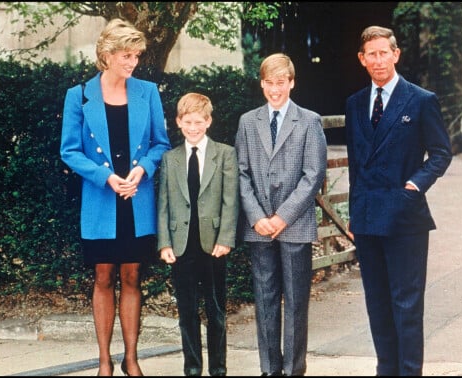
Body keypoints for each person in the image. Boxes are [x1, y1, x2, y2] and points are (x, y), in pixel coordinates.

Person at [60, 18, 171, 376]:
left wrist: (143, 170)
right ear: (106, 55)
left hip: (137, 199)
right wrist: (106, 176)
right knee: (104, 276)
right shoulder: (78, 96)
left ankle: (132, 359)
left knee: (133, 275)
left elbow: (160, 144)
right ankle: (105, 361)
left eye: (136, 55)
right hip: (102, 201)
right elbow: (70, 151)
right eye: (127, 55)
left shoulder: (148, 91)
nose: (133, 62)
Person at [345, 25, 452, 376]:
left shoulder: (420, 100)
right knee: (377, 304)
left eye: (383, 53)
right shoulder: (355, 104)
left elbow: (440, 153)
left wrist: (414, 185)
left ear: (396, 54)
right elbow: (356, 163)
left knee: (406, 304)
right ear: (362, 60)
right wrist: (352, 213)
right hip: (367, 217)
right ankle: (385, 370)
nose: (378, 60)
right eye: (370, 54)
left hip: (405, 218)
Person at [234, 53, 327, 376]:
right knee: (265, 299)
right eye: (269, 83)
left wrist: (283, 216)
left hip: (295, 225)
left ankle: (293, 369)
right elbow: (241, 173)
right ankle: (269, 368)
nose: (275, 90)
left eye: (281, 83)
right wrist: (257, 216)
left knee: (296, 301)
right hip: (258, 226)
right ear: (262, 84)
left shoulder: (309, 121)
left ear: (292, 83)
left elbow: (313, 174)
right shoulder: (248, 122)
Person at [157, 92, 239, 376]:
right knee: (187, 310)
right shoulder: (170, 159)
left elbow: (231, 200)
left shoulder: (224, 154)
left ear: (209, 121)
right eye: (188, 122)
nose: (193, 128)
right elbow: (164, 203)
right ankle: (192, 367)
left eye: (199, 122)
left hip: (213, 243)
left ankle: (218, 368)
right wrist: (164, 243)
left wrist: (225, 237)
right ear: (179, 122)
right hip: (181, 245)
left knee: (215, 310)